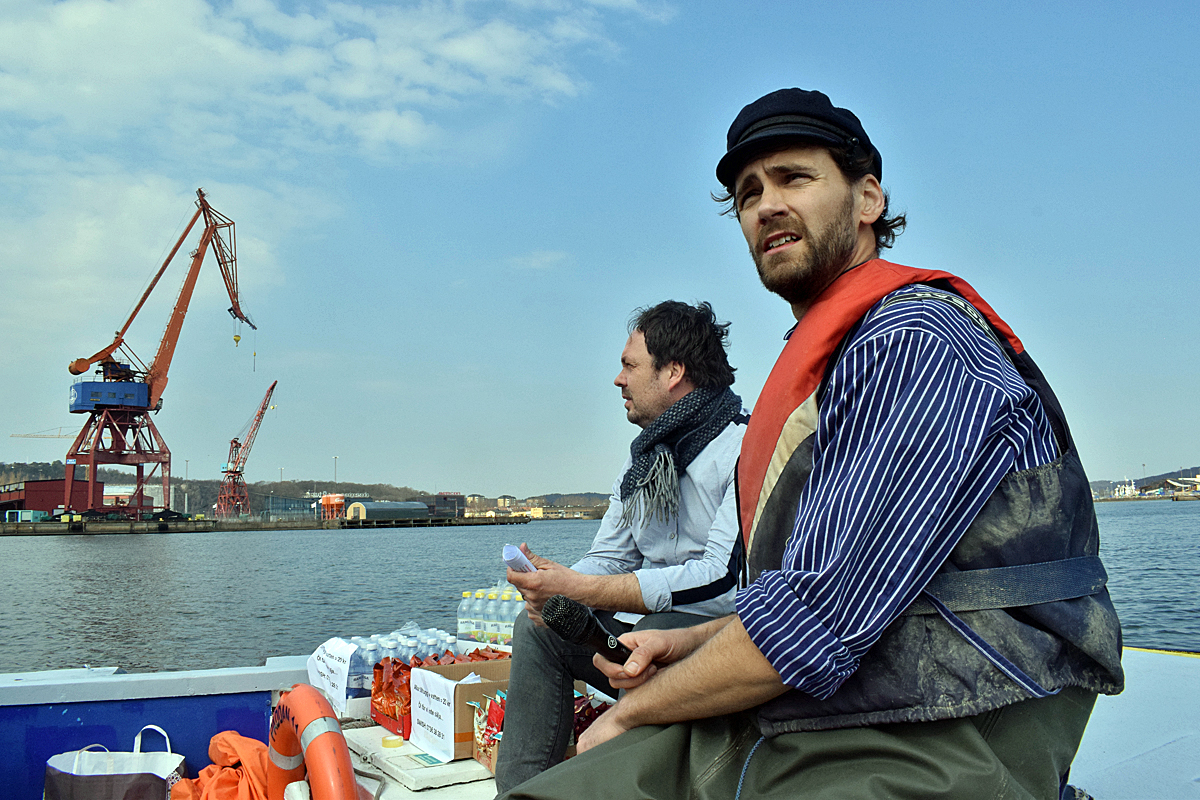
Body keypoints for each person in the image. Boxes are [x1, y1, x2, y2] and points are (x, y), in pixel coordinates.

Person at [499, 89, 1124, 800]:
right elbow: (816, 592)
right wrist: (689, 642)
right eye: (747, 194)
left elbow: (816, 616)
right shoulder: (837, 361)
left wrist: (634, 711)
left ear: (867, 200)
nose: (765, 205)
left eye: (794, 178)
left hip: (949, 718)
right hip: (838, 699)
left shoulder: (915, 343)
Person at [495, 300, 750, 794]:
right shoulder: (642, 463)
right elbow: (611, 558)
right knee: (537, 629)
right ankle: (518, 792)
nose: (618, 380)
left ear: (673, 372)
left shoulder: (744, 449)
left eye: (630, 366)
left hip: (719, 641)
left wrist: (582, 588)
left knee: (654, 629)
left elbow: (723, 582)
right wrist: (555, 584)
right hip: (645, 637)